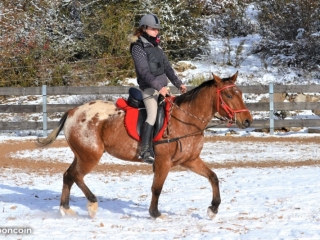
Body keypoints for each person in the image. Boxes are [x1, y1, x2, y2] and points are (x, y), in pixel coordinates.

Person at [129, 13, 187, 164]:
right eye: (154, 29)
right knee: (152, 116)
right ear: (144, 29)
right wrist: (159, 87)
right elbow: (144, 72)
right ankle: (145, 150)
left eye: (157, 29)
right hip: (149, 89)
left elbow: (167, 68)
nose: (157, 31)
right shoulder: (137, 47)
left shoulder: (157, 46)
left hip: (163, 88)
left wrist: (178, 83)